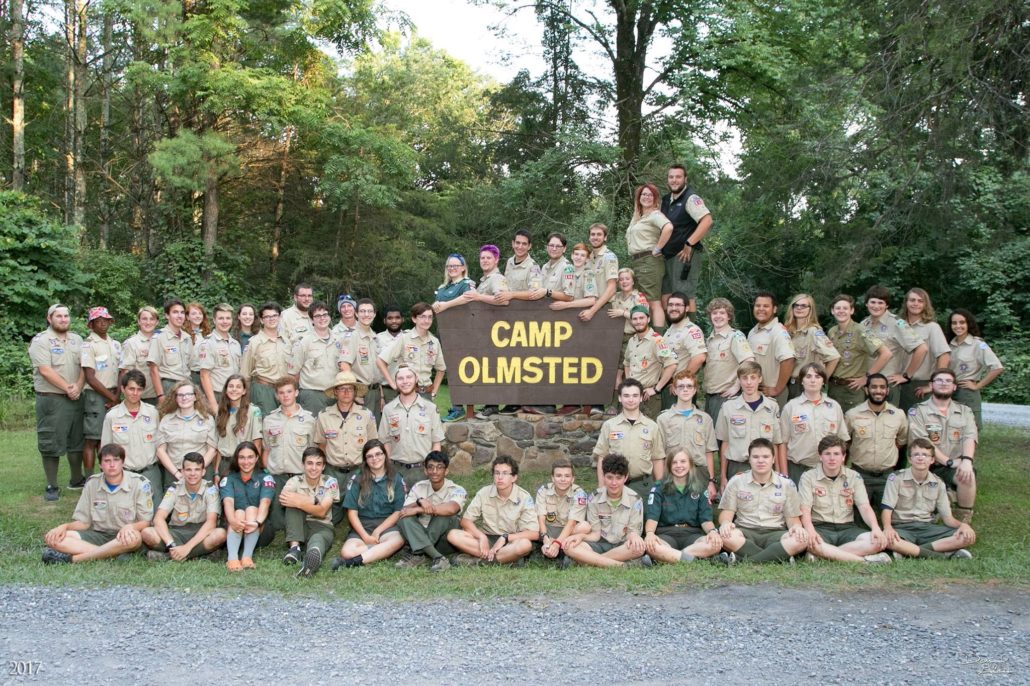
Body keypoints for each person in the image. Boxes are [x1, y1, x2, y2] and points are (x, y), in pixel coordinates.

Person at [42, 443, 153, 565]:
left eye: (116, 460)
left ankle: (74, 559)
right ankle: (114, 554)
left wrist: (131, 527)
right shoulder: (92, 483)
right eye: (107, 461)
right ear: (100, 465)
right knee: (56, 539)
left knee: (134, 539)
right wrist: (64, 527)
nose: (112, 465)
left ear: (123, 463)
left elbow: (146, 521)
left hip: (125, 536)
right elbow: (84, 523)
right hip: (99, 535)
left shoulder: (139, 483)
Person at [798, 436, 891, 564]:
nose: (832, 458)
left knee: (876, 541)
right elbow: (805, 509)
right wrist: (810, 531)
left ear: (843, 457)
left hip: (847, 528)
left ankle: (823, 554)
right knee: (809, 542)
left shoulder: (854, 476)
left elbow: (864, 507)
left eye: (836, 454)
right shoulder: (808, 477)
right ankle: (864, 561)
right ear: (820, 456)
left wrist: (875, 528)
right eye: (827, 454)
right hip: (820, 527)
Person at [881, 438, 976, 560]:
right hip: (902, 527)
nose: (920, 458)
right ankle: (942, 556)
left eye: (925, 455)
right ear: (910, 459)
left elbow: (948, 519)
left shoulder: (938, 483)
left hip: (927, 528)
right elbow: (887, 509)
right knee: (887, 539)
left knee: (966, 536)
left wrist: (963, 525)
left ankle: (906, 551)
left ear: (932, 460)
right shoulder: (895, 478)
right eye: (916, 455)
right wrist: (887, 528)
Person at [717, 438, 808, 563]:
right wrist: (725, 523)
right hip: (745, 531)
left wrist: (797, 527)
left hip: (776, 533)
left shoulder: (787, 484)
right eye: (755, 457)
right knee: (725, 536)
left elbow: (792, 519)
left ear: (773, 459)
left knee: (801, 540)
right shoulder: (736, 481)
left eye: (766, 456)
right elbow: (726, 514)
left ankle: (740, 559)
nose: (760, 460)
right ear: (749, 459)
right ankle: (778, 556)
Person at [907, 367, 978, 523]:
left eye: (948, 381)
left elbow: (970, 437)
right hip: (926, 464)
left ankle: (963, 515)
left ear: (954, 386)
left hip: (956, 463)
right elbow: (924, 442)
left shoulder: (965, 411)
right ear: (931, 385)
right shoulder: (917, 411)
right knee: (921, 511)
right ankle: (946, 495)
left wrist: (967, 461)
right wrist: (948, 462)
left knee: (967, 475)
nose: (943, 383)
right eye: (939, 380)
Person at [447, 456, 538, 566]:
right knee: (453, 535)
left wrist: (505, 538)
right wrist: (482, 537)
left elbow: (534, 533)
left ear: (514, 477)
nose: (500, 477)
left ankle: (480, 561)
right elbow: (465, 521)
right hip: (487, 539)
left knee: (525, 545)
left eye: (505, 473)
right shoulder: (484, 493)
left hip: (510, 541)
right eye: (497, 473)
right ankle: (505, 559)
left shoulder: (524, 497)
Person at [563, 454, 649, 568]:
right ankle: (623, 566)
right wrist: (581, 537)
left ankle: (587, 561)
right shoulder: (594, 498)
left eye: (618, 478)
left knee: (638, 548)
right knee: (570, 547)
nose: (614, 483)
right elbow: (595, 534)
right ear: (603, 476)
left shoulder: (635, 499)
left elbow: (632, 533)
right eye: (609, 477)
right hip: (599, 543)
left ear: (626, 477)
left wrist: (634, 536)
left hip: (622, 545)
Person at [332, 439, 407, 569]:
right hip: (363, 525)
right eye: (370, 456)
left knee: (398, 540)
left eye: (378, 454)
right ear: (365, 460)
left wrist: (378, 531)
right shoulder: (357, 478)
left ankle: (353, 562)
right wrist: (365, 536)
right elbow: (352, 512)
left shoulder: (396, 478)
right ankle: (380, 550)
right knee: (347, 552)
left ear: (385, 455)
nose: (375, 459)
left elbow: (397, 512)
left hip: (387, 526)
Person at [314, 370, 377, 524]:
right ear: (335, 392)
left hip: (359, 471)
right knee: (329, 518)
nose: (346, 392)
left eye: (350, 388)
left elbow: (373, 445)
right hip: (334, 471)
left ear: (355, 391)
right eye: (342, 388)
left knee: (364, 515)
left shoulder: (366, 415)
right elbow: (321, 445)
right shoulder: (324, 415)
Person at [643, 451, 728, 564]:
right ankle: (694, 559)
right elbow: (652, 518)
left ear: (690, 464)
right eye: (674, 462)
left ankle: (669, 556)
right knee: (652, 545)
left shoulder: (700, 488)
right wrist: (649, 533)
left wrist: (712, 531)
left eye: (683, 461)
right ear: (669, 466)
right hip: (666, 535)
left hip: (692, 535)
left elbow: (706, 520)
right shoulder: (658, 488)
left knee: (714, 544)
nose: (679, 465)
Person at [142, 452, 226, 561]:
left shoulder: (210, 490)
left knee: (220, 534)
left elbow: (211, 523)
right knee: (147, 533)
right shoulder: (175, 488)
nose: (192, 474)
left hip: (200, 532)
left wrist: (187, 547)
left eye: (197, 469)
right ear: (182, 471)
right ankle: (195, 554)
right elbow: (158, 518)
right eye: (188, 470)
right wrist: (171, 544)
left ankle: (169, 556)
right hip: (177, 532)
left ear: (203, 472)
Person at [261, 376, 317, 539]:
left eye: (289, 391)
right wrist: (267, 472)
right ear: (276, 396)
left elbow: (313, 450)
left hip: (300, 477)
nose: (285, 396)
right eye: (281, 393)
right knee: (277, 523)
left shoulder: (309, 419)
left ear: (296, 393)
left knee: (302, 519)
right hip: (277, 476)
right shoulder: (269, 419)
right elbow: (266, 449)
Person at [715, 361, 785, 490]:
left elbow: (775, 443)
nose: (749, 382)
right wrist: (723, 476)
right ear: (739, 380)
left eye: (753, 377)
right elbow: (725, 443)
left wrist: (778, 473)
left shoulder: (772, 407)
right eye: (744, 378)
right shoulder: (728, 407)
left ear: (760, 379)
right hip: (738, 467)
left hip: (765, 468)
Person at [844, 373, 909, 509]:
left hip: (887, 476)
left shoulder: (898, 415)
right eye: (873, 387)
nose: (878, 391)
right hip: (860, 475)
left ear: (887, 391)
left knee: (890, 515)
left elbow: (901, 441)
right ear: (866, 390)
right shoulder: (852, 414)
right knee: (857, 515)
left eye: (882, 387)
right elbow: (845, 442)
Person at [101, 370, 163, 513]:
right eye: (131, 389)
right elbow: (105, 450)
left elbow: (161, 444)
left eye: (139, 389)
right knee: (124, 515)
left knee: (156, 515)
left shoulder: (153, 413)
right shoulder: (112, 416)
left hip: (150, 472)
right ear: (123, 389)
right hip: (124, 474)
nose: (135, 393)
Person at [593, 379, 666, 498]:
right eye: (626, 395)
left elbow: (657, 458)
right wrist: (602, 486)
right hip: (615, 484)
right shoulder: (609, 425)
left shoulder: (652, 426)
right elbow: (602, 456)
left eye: (635, 395)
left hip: (643, 485)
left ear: (641, 398)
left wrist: (659, 486)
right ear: (620, 398)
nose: (631, 400)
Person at [396, 451, 467, 571]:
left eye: (439, 467)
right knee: (404, 517)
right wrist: (419, 501)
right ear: (425, 470)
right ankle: (436, 556)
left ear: (446, 471)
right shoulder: (419, 487)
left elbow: (451, 509)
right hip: (421, 533)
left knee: (444, 514)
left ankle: (418, 553)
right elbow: (404, 510)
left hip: (444, 541)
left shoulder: (457, 489)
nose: (434, 471)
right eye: (431, 467)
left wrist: (419, 509)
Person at [780, 363, 850, 484]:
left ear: (823, 381)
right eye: (808, 376)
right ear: (801, 381)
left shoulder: (834, 407)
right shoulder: (791, 407)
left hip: (827, 469)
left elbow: (842, 441)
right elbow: (782, 443)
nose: (813, 380)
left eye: (817, 377)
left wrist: (839, 470)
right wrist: (784, 475)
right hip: (798, 469)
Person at [378, 365, 445, 486]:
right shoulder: (388, 409)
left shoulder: (430, 408)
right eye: (400, 378)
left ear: (416, 379)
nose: (405, 381)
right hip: (396, 470)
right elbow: (385, 442)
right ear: (395, 382)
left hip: (423, 470)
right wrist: (387, 469)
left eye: (409, 377)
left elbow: (436, 442)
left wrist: (433, 468)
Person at [860, 285, 927, 407]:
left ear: (886, 305)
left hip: (887, 384)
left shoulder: (897, 323)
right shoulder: (863, 324)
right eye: (873, 302)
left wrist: (906, 376)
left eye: (880, 303)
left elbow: (922, 348)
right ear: (866, 304)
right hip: (867, 385)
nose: (876, 306)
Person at [656, 370, 718, 501]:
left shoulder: (705, 419)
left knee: (700, 509)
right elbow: (659, 454)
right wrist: (660, 481)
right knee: (671, 508)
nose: (685, 389)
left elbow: (708, 452)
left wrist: (711, 481)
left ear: (695, 390)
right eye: (681, 386)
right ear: (674, 390)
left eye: (689, 386)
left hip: (699, 473)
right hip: (672, 472)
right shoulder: (663, 419)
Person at [660, 164, 713, 315]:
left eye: (678, 177)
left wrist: (690, 242)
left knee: (684, 297)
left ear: (685, 179)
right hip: (667, 256)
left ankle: (689, 329)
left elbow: (707, 220)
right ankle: (672, 329)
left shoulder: (691, 198)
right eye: (671, 177)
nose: (674, 180)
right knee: (666, 297)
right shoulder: (666, 200)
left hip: (684, 256)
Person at [430, 254, 476, 422]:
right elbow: (437, 306)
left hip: (462, 334)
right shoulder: (443, 287)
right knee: (449, 370)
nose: (452, 268)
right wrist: (435, 306)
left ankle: (461, 408)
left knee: (463, 370)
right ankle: (456, 406)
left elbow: (468, 297)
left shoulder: (466, 283)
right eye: (449, 266)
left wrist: (446, 305)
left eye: (455, 265)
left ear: (463, 267)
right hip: (445, 333)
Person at [826, 294, 892, 411]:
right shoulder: (832, 332)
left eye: (845, 308)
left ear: (851, 311)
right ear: (832, 311)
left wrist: (866, 377)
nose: (841, 311)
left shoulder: (862, 330)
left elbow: (886, 354)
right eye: (838, 308)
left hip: (852, 390)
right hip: (834, 388)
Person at [281, 446, 339, 577]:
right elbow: (283, 498)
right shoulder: (295, 481)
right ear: (303, 465)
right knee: (291, 506)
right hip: (299, 525)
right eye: (310, 463)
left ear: (323, 466)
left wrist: (299, 502)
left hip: (323, 526)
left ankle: (311, 560)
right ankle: (294, 549)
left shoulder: (330, 482)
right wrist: (314, 501)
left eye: (318, 464)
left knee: (317, 541)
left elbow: (322, 512)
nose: (314, 468)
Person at [220, 441, 275, 571]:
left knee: (251, 509)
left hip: (258, 530)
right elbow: (228, 502)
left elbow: (265, 503)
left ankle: (247, 557)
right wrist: (233, 521)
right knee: (239, 512)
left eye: (250, 457)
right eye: (242, 457)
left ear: (256, 458)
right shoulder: (229, 478)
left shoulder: (265, 477)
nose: (246, 462)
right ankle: (232, 558)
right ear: (236, 459)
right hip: (234, 530)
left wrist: (257, 523)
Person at [81, 307, 122, 477]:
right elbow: (90, 377)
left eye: (106, 320)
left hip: (114, 393)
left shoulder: (115, 344)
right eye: (98, 321)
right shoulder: (89, 345)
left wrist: (117, 396)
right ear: (91, 324)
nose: (103, 323)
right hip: (96, 396)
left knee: (108, 439)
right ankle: (90, 478)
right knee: (93, 438)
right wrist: (112, 397)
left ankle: (105, 475)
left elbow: (121, 371)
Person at [376, 303, 445, 403]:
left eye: (430, 317)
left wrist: (434, 392)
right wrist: (394, 385)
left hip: (426, 394)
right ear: (414, 319)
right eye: (422, 317)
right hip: (407, 393)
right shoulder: (404, 338)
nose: (426, 320)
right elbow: (380, 361)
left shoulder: (434, 342)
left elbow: (441, 369)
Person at [155, 380, 217, 490]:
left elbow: (212, 450)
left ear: (195, 397)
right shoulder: (166, 420)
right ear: (175, 398)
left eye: (188, 394)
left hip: (201, 474)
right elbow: (160, 450)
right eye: (180, 395)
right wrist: (177, 473)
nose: (184, 398)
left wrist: (196, 471)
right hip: (174, 473)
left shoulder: (207, 419)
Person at [947, 308, 1003, 429]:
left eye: (962, 322)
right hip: (948, 391)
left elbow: (997, 367)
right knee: (951, 429)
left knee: (970, 428)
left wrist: (977, 386)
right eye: (954, 323)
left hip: (966, 393)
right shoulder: (949, 344)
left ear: (969, 324)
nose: (958, 326)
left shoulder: (978, 344)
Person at [626, 183, 673, 327]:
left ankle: (658, 337)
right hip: (639, 262)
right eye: (643, 194)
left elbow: (668, 227)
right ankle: (653, 334)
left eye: (650, 195)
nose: (646, 197)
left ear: (655, 198)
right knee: (646, 301)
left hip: (649, 261)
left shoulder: (655, 214)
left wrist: (658, 248)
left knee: (653, 303)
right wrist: (637, 208)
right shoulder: (640, 217)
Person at [703, 297, 754, 422]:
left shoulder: (735, 336)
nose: (718, 316)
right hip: (710, 396)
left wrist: (737, 386)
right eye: (714, 313)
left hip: (726, 397)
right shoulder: (710, 340)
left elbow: (749, 361)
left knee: (722, 433)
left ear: (729, 316)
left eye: (722, 313)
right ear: (710, 316)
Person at [900, 287, 951, 412]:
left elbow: (944, 356)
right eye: (912, 300)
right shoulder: (899, 325)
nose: (915, 304)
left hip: (919, 385)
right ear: (906, 302)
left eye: (920, 301)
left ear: (925, 305)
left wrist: (933, 384)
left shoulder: (932, 327)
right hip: (897, 383)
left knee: (920, 422)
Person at [623, 306, 677, 419]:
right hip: (632, 395)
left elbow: (672, 365)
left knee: (648, 429)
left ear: (648, 319)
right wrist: (628, 382)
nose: (638, 321)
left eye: (641, 318)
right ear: (631, 321)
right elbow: (627, 363)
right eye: (635, 319)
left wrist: (656, 389)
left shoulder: (657, 340)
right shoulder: (632, 341)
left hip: (648, 396)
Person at [288, 300, 340, 415]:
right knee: (312, 425)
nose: (322, 318)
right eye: (317, 316)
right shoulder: (304, 342)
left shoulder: (338, 340)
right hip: (312, 396)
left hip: (335, 395)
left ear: (329, 317)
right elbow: (293, 374)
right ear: (311, 320)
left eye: (325, 314)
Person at [784, 293, 840, 399]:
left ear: (811, 309)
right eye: (796, 305)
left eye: (804, 306)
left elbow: (834, 358)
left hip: (805, 386)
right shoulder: (790, 332)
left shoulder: (813, 332)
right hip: (791, 385)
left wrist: (821, 382)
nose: (799, 308)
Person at [239, 301, 290, 417]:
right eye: (267, 317)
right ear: (261, 320)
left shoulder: (286, 341)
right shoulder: (254, 342)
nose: (271, 319)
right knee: (265, 423)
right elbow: (245, 375)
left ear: (280, 317)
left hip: (284, 391)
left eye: (274, 315)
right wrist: (245, 400)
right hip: (263, 391)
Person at [535, 458, 590, 561]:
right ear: (552, 478)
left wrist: (556, 543)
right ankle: (550, 546)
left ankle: (557, 546)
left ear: (572, 479)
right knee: (531, 526)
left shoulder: (579, 494)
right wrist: (545, 538)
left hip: (568, 531)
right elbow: (541, 518)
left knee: (585, 527)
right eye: (559, 475)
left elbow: (572, 523)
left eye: (567, 476)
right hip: (548, 529)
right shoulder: (543, 490)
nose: (563, 479)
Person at [747, 291, 795, 408]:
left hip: (772, 395)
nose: (761, 309)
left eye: (766, 306)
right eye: (758, 305)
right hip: (754, 392)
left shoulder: (778, 332)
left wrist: (777, 389)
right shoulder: (753, 332)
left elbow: (789, 360)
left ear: (774, 309)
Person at [660, 292, 707, 408]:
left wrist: (679, 381)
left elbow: (699, 358)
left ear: (686, 308)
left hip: (679, 389)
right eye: (671, 305)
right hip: (666, 386)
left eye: (678, 305)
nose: (673, 308)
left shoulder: (691, 330)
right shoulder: (671, 330)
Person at [339, 298, 384, 418]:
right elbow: (344, 365)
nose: (366, 314)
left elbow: (377, 370)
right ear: (356, 314)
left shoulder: (375, 337)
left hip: (375, 392)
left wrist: (381, 396)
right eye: (363, 311)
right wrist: (353, 393)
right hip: (361, 393)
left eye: (369, 311)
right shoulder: (352, 336)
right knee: (358, 427)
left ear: (374, 314)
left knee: (374, 427)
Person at [214, 374, 263, 476]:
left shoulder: (253, 411)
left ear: (244, 391)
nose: (234, 389)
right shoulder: (221, 412)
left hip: (244, 465)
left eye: (238, 387)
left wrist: (253, 469)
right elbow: (219, 446)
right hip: (224, 464)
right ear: (226, 390)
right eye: (231, 386)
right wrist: (216, 472)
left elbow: (257, 444)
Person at [196, 303, 242, 411]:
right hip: (218, 395)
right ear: (214, 320)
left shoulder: (235, 344)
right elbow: (204, 375)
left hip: (235, 395)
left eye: (228, 318)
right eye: (221, 318)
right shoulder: (208, 344)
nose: (225, 322)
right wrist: (213, 404)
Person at [147, 298, 192, 402]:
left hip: (186, 385)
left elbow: (190, 365)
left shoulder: (187, 338)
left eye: (182, 312)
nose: (179, 316)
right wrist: (160, 395)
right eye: (175, 312)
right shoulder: (159, 337)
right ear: (167, 315)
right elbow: (153, 369)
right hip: (169, 386)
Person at [579, 223, 619, 325]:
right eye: (593, 234)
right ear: (589, 237)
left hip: (604, 308)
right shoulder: (587, 258)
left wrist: (592, 311)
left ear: (605, 237)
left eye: (599, 234)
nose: (595, 237)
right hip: (587, 307)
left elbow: (612, 288)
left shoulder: (609, 257)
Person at [119, 306, 160, 404]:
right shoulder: (131, 343)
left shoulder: (162, 341)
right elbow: (125, 373)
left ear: (157, 322)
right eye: (144, 319)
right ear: (138, 321)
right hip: (142, 398)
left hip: (163, 395)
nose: (148, 322)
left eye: (152, 319)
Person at [494, 229, 545, 304]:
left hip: (524, 308)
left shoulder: (534, 267)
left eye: (524, 244)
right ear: (513, 243)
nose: (520, 247)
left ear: (529, 246)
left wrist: (512, 295)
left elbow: (535, 293)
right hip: (507, 307)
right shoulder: (510, 261)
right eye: (518, 243)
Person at [548, 242, 598, 311]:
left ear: (587, 259)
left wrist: (566, 305)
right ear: (572, 256)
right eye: (576, 254)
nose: (578, 258)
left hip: (578, 312)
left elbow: (591, 300)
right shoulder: (565, 270)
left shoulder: (588, 274)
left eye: (582, 255)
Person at [376, 304, 406, 407]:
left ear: (402, 319)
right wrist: (381, 396)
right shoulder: (377, 339)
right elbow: (375, 371)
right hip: (386, 390)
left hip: (408, 389)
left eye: (397, 318)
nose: (394, 321)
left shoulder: (409, 337)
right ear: (384, 320)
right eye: (390, 318)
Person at [539, 232, 572, 298]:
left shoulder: (567, 268)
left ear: (564, 249)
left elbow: (569, 296)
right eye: (551, 245)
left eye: (558, 246)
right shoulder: (544, 267)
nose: (554, 249)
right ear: (547, 247)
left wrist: (548, 292)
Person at [185, 302, 211, 385]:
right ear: (187, 317)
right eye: (194, 313)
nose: (198, 316)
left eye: (200, 313)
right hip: (191, 375)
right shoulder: (184, 336)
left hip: (208, 375)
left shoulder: (207, 334)